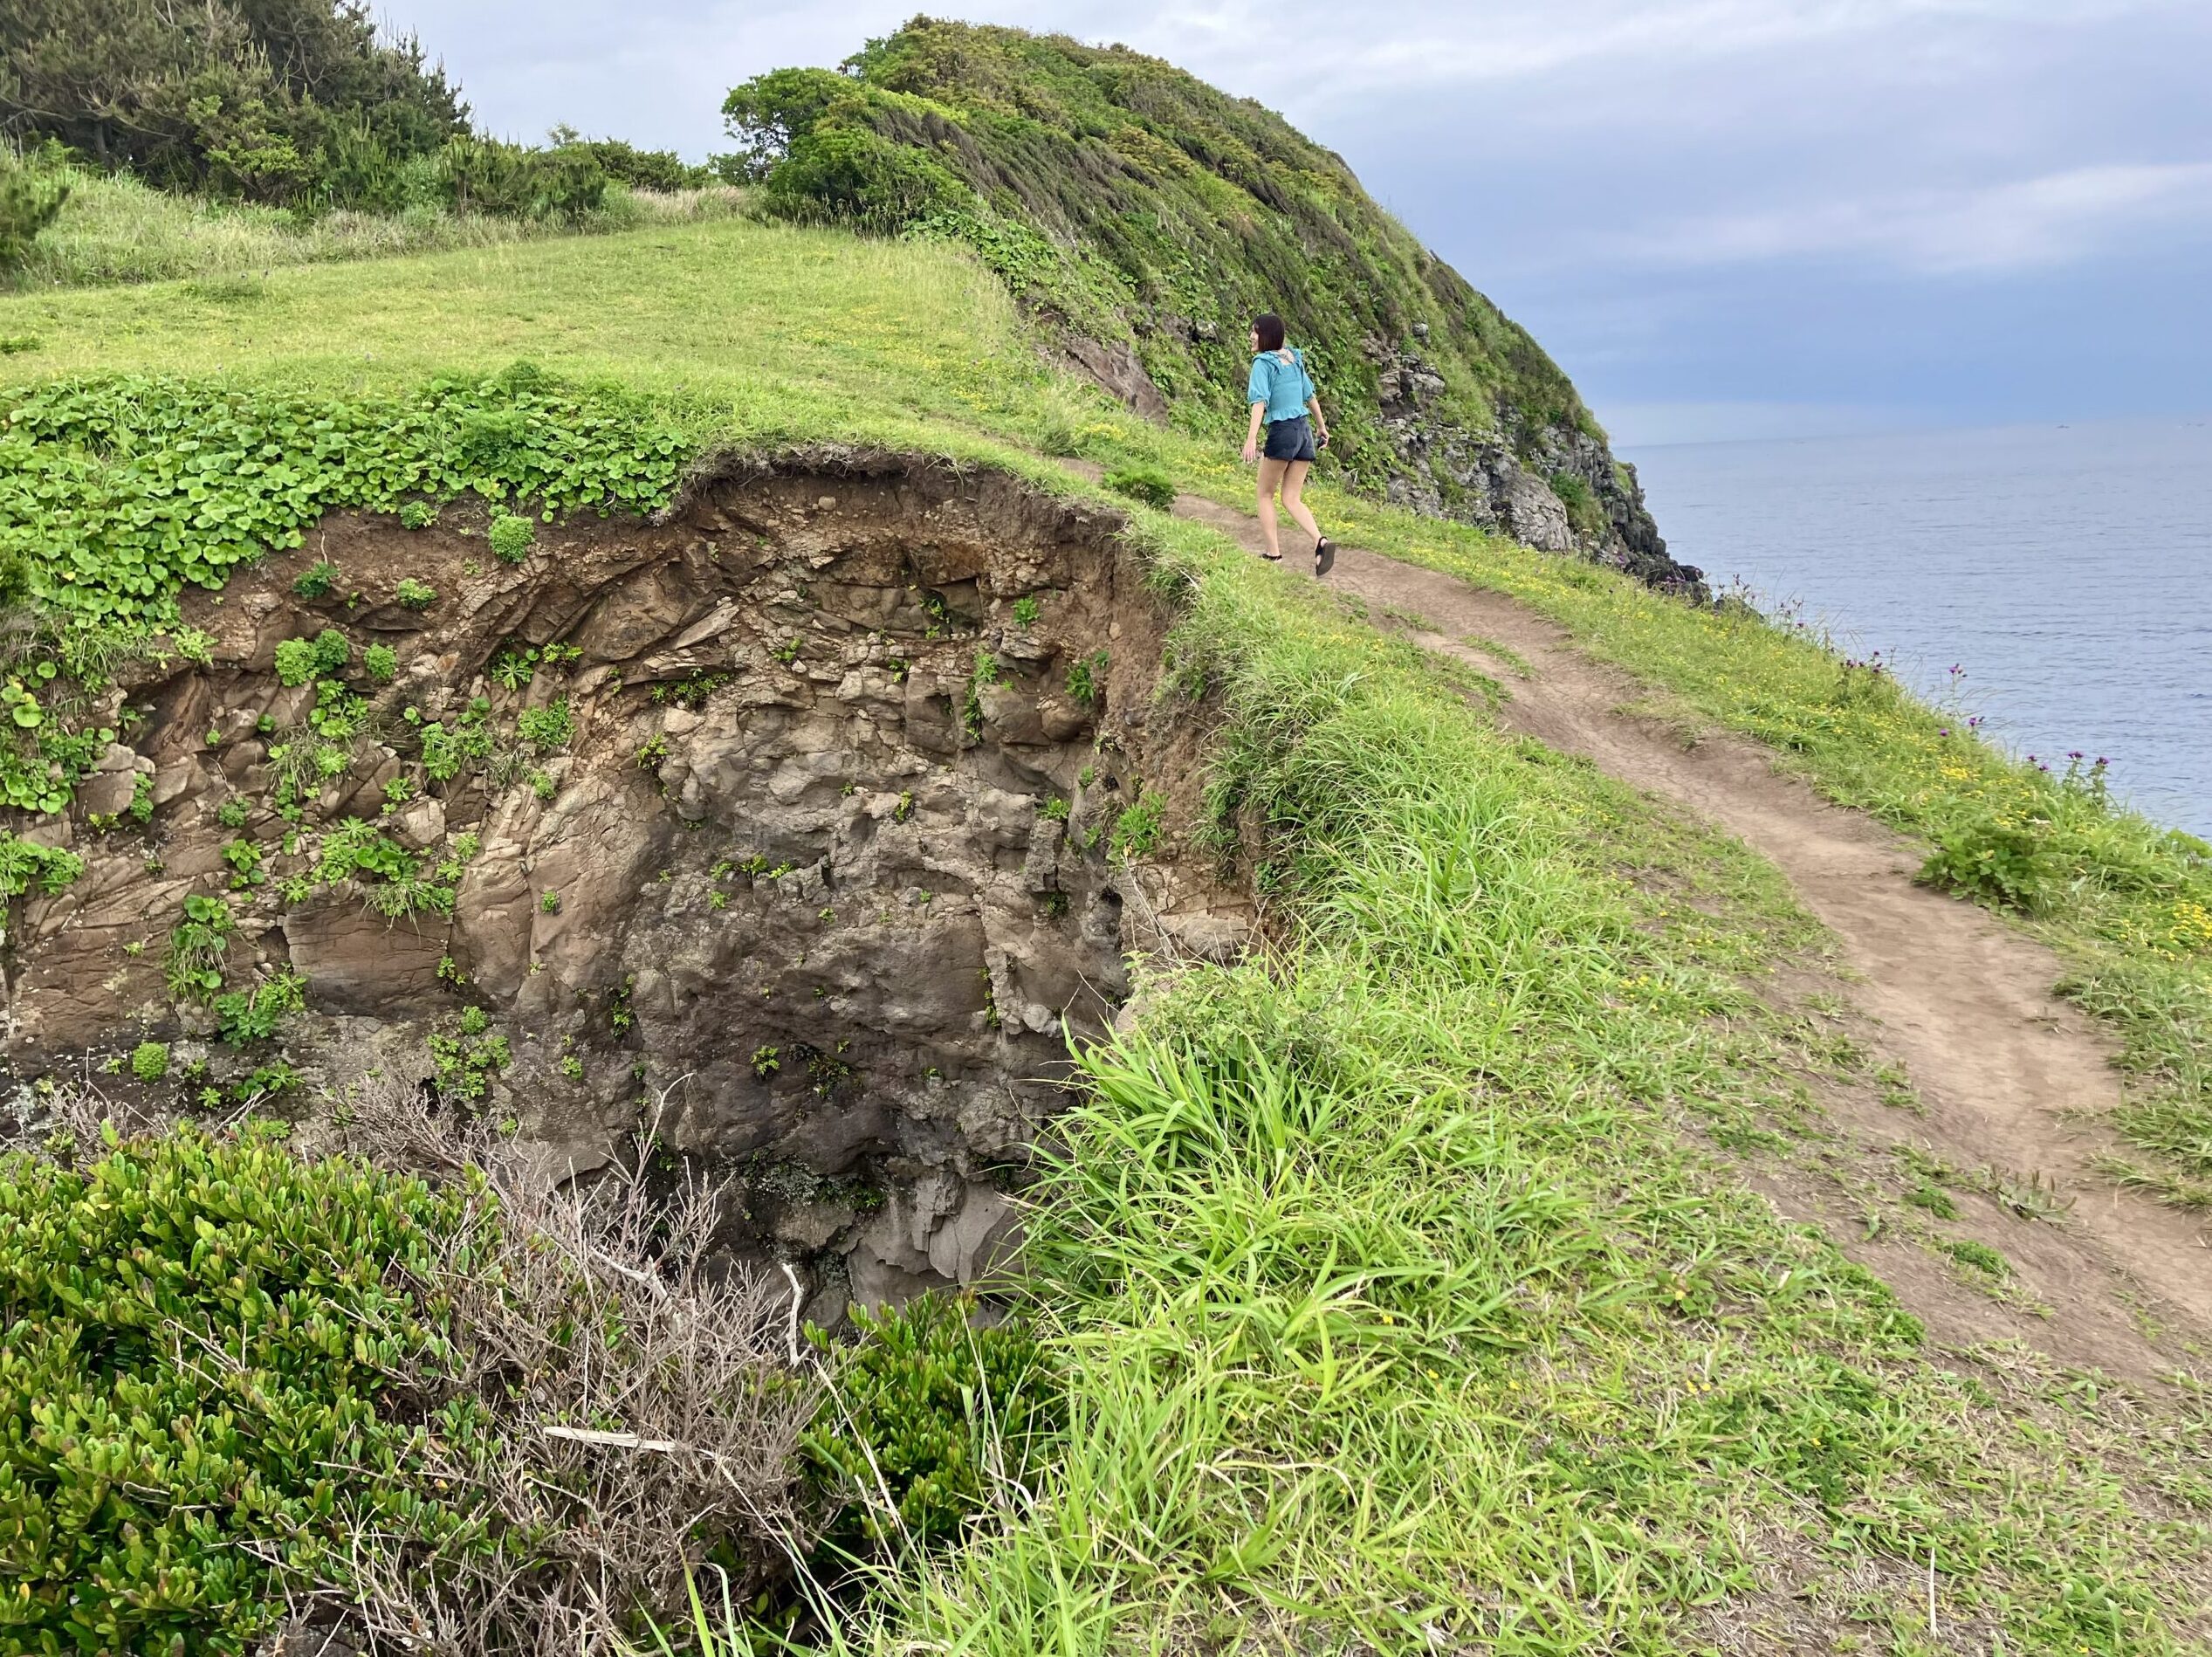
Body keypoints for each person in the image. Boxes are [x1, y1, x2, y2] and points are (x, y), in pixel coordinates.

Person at [1240, 313, 1337, 576]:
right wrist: (1321, 426)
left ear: (1267, 335)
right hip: (1304, 432)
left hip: (1282, 432)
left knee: (1264, 494)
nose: (1251, 336)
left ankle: (1273, 554)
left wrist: (1251, 438)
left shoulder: (1263, 363)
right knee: (1292, 498)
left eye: (1255, 332)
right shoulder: (1294, 359)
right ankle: (1320, 542)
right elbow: (1310, 395)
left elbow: (1259, 402)